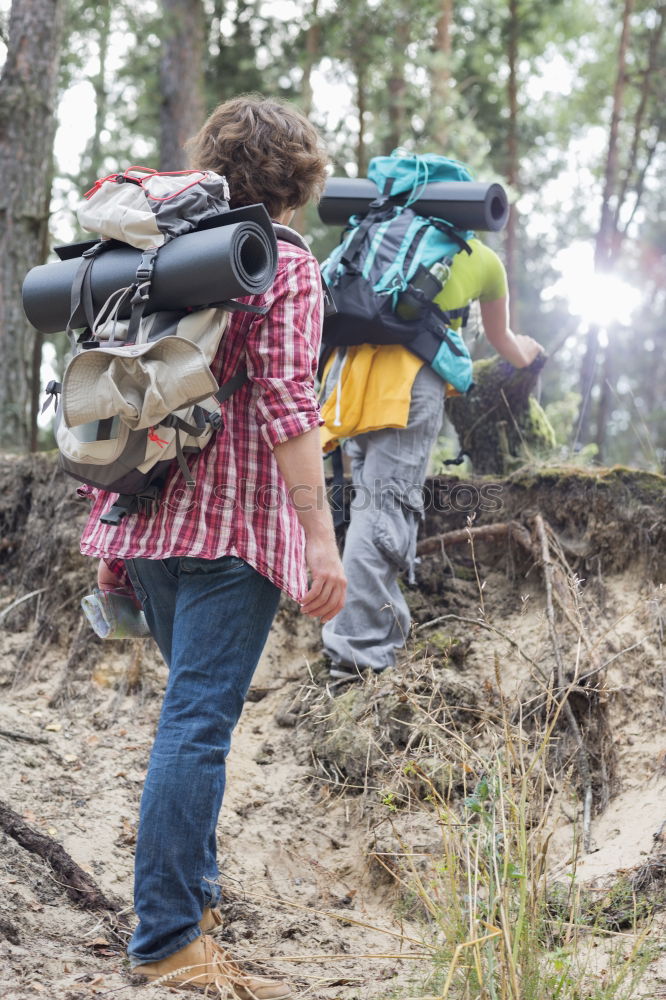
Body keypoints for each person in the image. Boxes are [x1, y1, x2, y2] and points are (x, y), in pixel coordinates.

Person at [80, 95, 346, 997]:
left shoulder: (159, 258)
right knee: (196, 729)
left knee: (186, 724)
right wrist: (322, 538)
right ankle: (166, 943)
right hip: (237, 533)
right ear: (301, 176)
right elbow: (284, 403)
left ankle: (195, 905)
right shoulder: (286, 264)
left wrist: (113, 531)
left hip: (151, 521)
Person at [319, 219, 541, 680]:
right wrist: (531, 355)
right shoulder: (479, 257)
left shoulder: (373, 236)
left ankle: (362, 634)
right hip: (405, 387)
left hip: (345, 380)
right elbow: (504, 343)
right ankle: (357, 657)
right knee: (383, 512)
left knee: (368, 506)